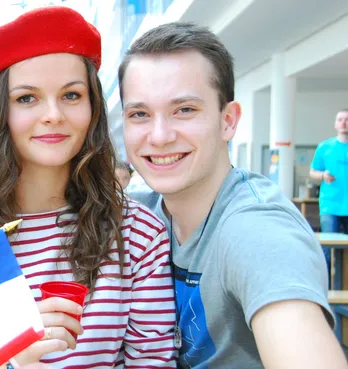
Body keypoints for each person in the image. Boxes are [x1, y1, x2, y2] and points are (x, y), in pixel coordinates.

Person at [0, 7, 176, 368]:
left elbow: (153, 362)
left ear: (93, 109)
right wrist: (10, 360)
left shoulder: (137, 234)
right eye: (27, 98)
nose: (53, 114)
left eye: (71, 95)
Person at [119, 22, 346, 368]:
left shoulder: (255, 229)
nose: (160, 135)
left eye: (184, 110)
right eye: (140, 114)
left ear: (228, 120)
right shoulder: (138, 215)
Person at [310, 108, 348, 276]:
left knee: (345, 253)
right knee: (327, 248)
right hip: (330, 205)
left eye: (347, 119)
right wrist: (323, 175)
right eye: (340, 119)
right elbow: (313, 172)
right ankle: (325, 290)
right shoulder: (325, 147)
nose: (343, 123)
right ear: (335, 123)